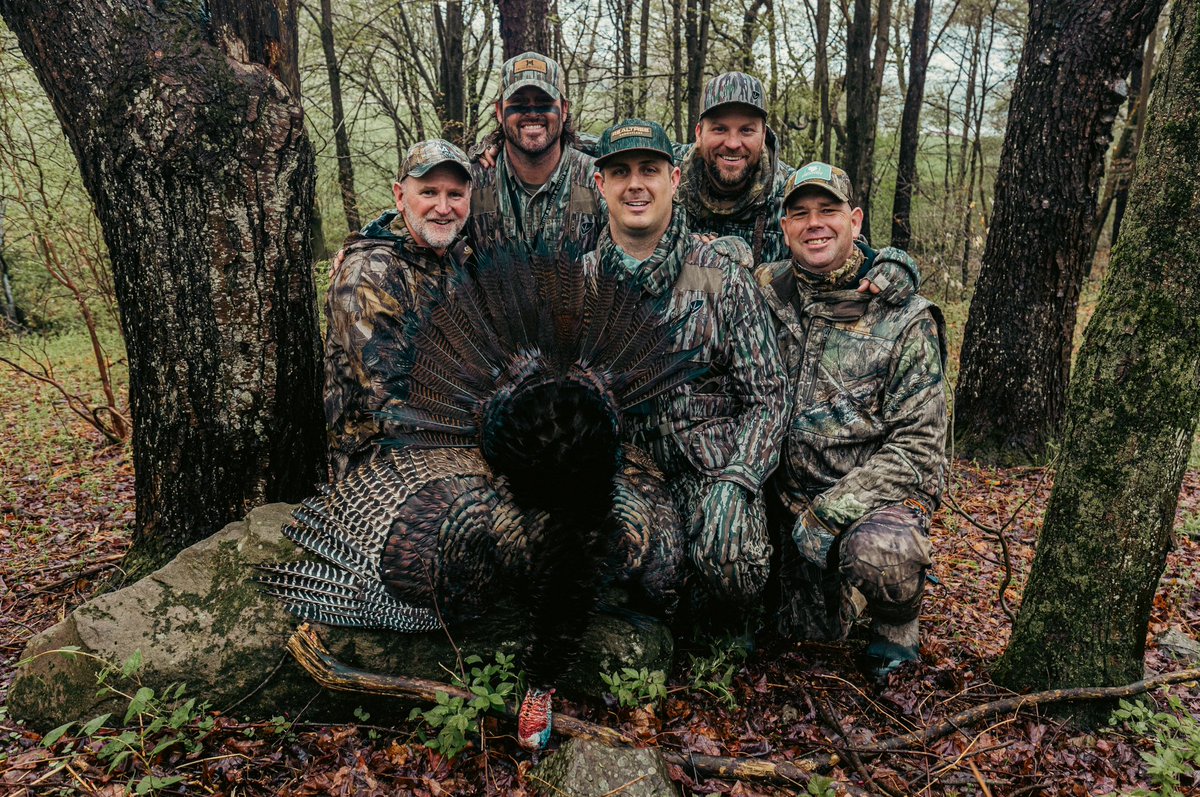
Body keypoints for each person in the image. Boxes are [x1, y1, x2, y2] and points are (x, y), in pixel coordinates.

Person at [582, 118, 790, 613]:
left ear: (673, 179)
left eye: (649, 170)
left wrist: (739, 479)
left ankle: (720, 619)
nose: (636, 185)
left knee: (732, 554)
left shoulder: (720, 276)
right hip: (622, 474)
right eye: (621, 173)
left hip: (707, 469)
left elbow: (769, 395)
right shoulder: (580, 285)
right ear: (600, 185)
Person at [753, 162, 947, 678]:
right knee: (802, 634)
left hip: (863, 505)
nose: (814, 223)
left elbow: (919, 450)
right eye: (800, 214)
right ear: (785, 227)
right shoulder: (766, 290)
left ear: (856, 221)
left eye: (828, 211)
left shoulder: (905, 317)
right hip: (783, 493)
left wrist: (832, 510)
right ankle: (830, 599)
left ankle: (896, 624)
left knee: (880, 552)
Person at [323, 139, 473, 480]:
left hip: (454, 445)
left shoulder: (459, 260)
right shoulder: (368, 274)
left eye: (455, 194)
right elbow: (392, 402)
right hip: (378, 469)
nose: (443, 207)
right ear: (400, 196)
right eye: (429, 192)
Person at [466, 51, 603, 259]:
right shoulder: (472, 181)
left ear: (564, 109)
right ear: (500, 111)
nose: (531, 112)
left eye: (544, 102)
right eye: (519, 103)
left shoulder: (599, 180)